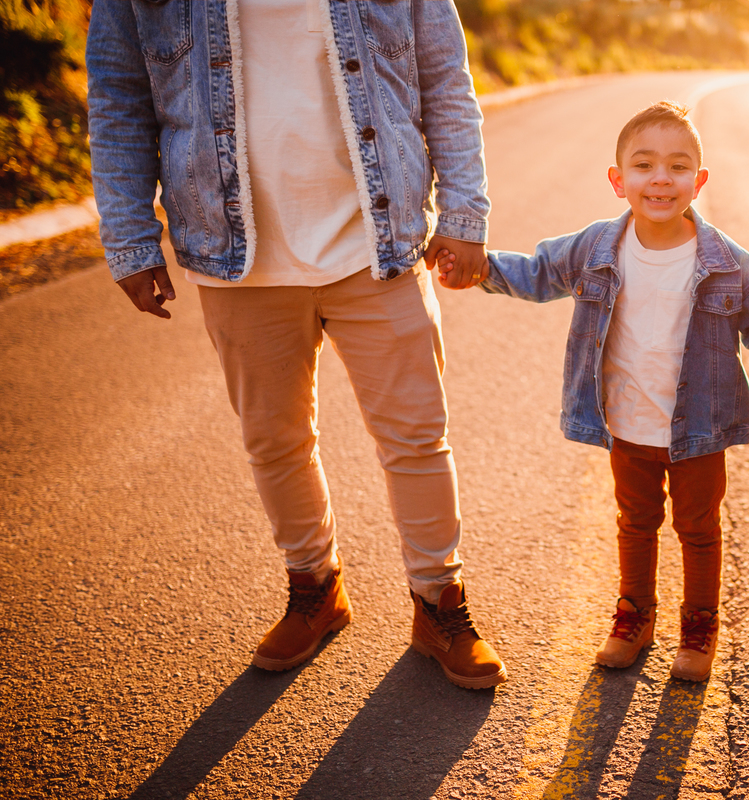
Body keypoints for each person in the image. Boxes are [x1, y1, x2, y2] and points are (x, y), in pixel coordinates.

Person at [86, 0, 506, 689]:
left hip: (378, 242)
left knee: (417, 437)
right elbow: (119, 100)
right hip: (234, 255)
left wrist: (464, 214)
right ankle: (315, 587)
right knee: (275, 441)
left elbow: (445, 79)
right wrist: (129, 238)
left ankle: (440, 603)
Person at [435, 102, 749, 682]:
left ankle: (699, 628)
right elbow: (538, 272)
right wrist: (479, 267)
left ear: (699, 181)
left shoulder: (727, 262)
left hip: (699, 429)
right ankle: (634, 618)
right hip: (627, 421)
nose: (660, 178)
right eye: (643, 165)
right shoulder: (597, 248)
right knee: (635, 522)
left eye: (678, 166)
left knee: (698, 529)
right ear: (618, 180)